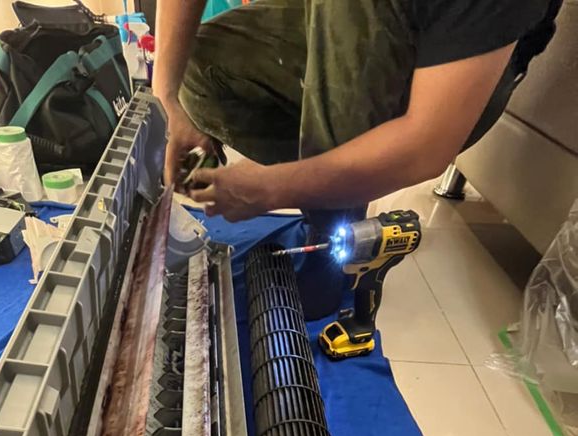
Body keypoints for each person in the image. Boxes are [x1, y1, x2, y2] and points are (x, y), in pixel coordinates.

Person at [153, 0, 561, 316]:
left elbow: (426, 146)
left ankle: (332, 242)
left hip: (463, 63)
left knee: (348, 13)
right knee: (199, 64)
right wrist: (167, 99)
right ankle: (337, 174)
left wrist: (271, 189)